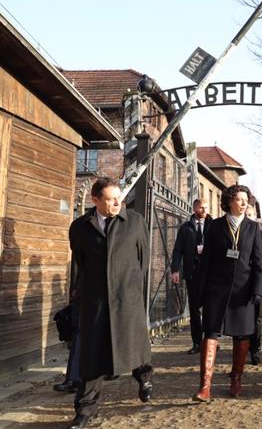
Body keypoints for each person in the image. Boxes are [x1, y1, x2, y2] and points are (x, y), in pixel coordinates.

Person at [67, 178, 152, 429]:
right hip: (95, 300)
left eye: (119, 197)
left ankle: (145, 379)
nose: (117, 202)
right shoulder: (80, 227)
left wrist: (130, 287)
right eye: (110, 199)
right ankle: (85, 409)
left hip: (127, 297)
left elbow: (143, 260)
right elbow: (80, 262)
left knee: (135, 342)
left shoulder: (134, 222)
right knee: (92, 353)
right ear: (95, 200)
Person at [194, 185, 262, 401]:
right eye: (239, 199)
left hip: (243, 291)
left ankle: (236, 378)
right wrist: (200, 292)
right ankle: (205, 386)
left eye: (246, 200)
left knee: (242, 335)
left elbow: (260, 264)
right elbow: (205, 262)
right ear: (228, 202)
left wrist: (257, 290)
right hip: (216, 289)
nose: (243, 203)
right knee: (210, 332)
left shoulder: (253, 228)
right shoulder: (215, 226)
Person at [170, 199, 213, 354]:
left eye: (206, 207)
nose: (204, 210)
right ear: (195, 208)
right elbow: (177, 250)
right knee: (194, 310)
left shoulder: (214, 226)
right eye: (201, 207)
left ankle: (210, 341)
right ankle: (197, 343)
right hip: (192, 274)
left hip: (210, 274)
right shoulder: (185, 228)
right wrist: (175, 270)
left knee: (210, 309)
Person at [245, 202, 262, 366]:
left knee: (260, 317)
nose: (248, 218)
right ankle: (244, 347)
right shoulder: (237, 234)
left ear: (255, 216)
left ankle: (255, 349)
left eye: (250, 215)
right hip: (243, 282)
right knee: (245, 317)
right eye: (245, 215)